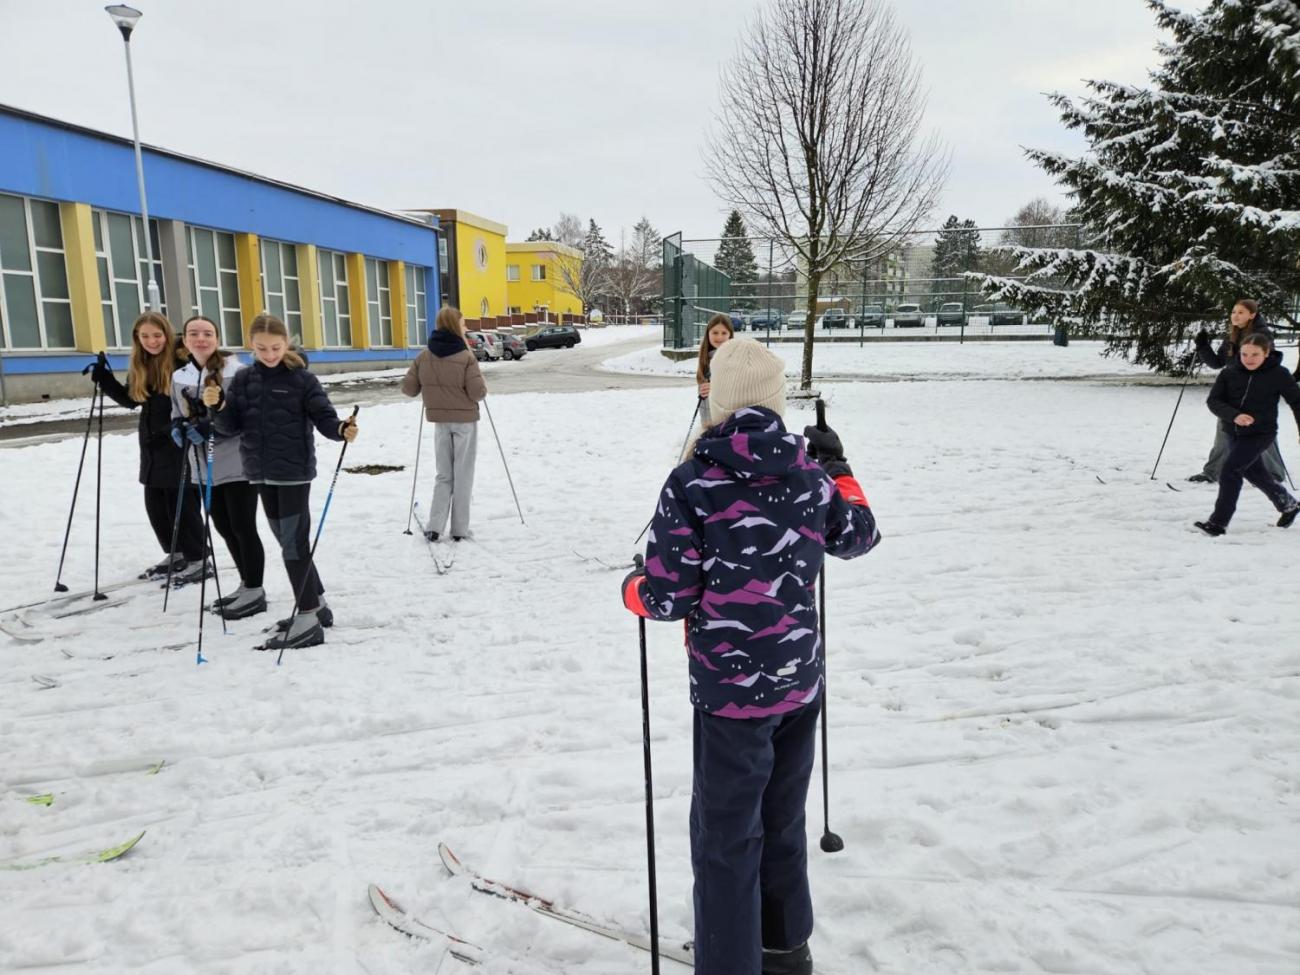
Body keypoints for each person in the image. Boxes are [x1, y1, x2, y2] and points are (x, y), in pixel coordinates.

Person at [620, 338, 881, 975]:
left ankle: (732, 962)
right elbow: (860, 535)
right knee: (781, 820)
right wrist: (839, 467)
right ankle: (785, 949)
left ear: (721, 401)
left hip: (731, 694)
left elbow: (667, 594)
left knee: (726, 837)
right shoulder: (810, 477)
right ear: (774, 403)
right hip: (798, 685)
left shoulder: (695, 479)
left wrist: (633, 589)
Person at [208, 313, 358, 649]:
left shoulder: (301, 380)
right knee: (287, 541)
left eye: (276, 347)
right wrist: (217, 405)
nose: (270, 354)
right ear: (251, 345)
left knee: (293, 544)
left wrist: (340, 429)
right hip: (259, 472)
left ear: (286, 343)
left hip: (292, 473)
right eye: (262, 348)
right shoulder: (245, 379)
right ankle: (316, 603)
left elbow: (324, 418)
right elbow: (229, 426)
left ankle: (306, 617)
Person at [90, 311, 209, 583]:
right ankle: (176, 552)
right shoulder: (142, 362)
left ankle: (198, 557)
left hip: (179, 442)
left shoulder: (182, 362)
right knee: (156, 504)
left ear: (166, 335)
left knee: (183, 503)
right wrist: (105, 379)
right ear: (137, 339)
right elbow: (133, 399)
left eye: (157, 335)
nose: (151, 341)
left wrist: (174, 430)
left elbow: (195, 405)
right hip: (152, 446)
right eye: (145, 336)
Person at [171, 315, 266, 620]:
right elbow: (177, 409)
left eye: (208, 333)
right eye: (194, 334)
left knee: (242, 526)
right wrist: (178, 427)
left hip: (237, 461)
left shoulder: (237, 372)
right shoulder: (180, 376)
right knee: (223, 527)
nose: (201, 339)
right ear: (185, 341)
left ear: (217, 338)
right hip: (202, 465)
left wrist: (211, 427)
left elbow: (248, 417)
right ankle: (244, 582)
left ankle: (256, 589)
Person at [1195, 332, 1300, 536]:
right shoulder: (1229, 372)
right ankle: (1288, 505)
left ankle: (1218, 523)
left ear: (1266, 353)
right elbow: (1213, 401)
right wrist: (1234, 416)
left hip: (1261, 433)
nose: (1249, 359)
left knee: (1230, 470)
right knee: (1255, 472)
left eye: (1255, 354)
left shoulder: (1279, 374)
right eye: (1244, 354)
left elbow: (1297, 402)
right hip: (1233, 431)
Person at [400, 305, 486, 542]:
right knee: (463, 474)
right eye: (463, 323)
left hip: (440, 423)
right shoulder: (466, 356)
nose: (465, 327)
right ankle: (459, 529)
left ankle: (435, 526)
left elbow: (408, 389)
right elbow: (478, 393)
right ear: (453, 325)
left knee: (443, 475)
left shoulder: (424, 355)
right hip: (465, 423)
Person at [1188, 299, 1286, 484]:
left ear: (1252, 315)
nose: (1235, 315)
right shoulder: (1233, 335)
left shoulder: (1262, 334)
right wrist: (1202, 346)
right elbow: (1218, 362)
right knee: (1225, 431)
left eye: (1241, 312)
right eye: (1233, 312)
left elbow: (1267, 362)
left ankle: (1274, 473)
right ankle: (1212, 472)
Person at [696, 313, 735, 427]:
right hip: (709, 421)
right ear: (708, 334)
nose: (719, 337)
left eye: (724, 333)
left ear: (730, 335)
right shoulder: (706, 357)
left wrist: (715, 387)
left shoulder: (734, 357)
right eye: (715, 332)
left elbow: (737, 387)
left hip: (727, 421)